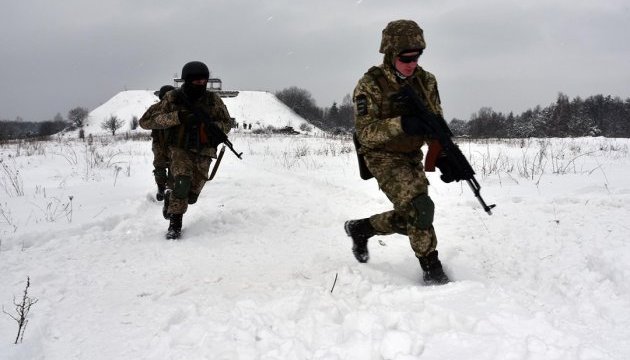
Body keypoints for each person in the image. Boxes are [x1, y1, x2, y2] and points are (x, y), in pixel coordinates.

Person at [345, 19, 450, 285]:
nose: (412, 63)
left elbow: (434, 121)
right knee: (420, 210)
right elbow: (366, 133)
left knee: (414, 217)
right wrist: (402, 123)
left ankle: (362, 228)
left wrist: (444, 153)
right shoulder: (370, 85)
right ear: (390, 54)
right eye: (406, 58)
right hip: (381, 155)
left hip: (411, 155)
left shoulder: (426, 81)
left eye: (417, 57)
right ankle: (432, 270)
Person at [139, 61, 232, 239]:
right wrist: (178, 117)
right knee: (181, 183)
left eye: (204, 81)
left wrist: (212, 128)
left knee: (192, 194)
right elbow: (146, 122)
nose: (201, 84)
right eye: (196, 81)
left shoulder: (213, 100)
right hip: (180, 148)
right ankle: (175, 224)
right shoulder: (173, 98)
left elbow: (227, 122)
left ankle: (171, 199)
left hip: (204, 149)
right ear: (187, 80)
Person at [141, 85, 175, 201]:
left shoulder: (176, 108)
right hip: (160, 143)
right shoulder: (155, 108)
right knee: (162, 167)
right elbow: (143, 123)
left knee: (168, 167)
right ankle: (163, 189)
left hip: (173, 143)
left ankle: (166, 190)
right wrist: (158, 123)